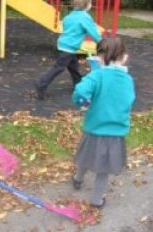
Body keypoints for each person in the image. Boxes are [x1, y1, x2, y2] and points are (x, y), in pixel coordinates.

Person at [71, 36, 135, 208]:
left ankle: (77, 179)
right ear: (124, 58)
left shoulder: (96, 76)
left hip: (94, 128)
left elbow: (80, 91)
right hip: (115, 131)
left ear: (99, 58)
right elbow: (129, 101)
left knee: (86, 156)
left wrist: (82, 102)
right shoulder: (127, 80)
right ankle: (97, 200)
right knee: (103, 169)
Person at [35, 0, 102, 100]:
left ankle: (78, 84)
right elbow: (93, 32)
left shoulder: (70, 16)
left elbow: (66, 25)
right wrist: (102, 42)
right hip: (69, 47)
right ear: (87, 5)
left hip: (64, 44)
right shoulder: (85, 17)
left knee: (73, 66)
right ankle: (41, 83)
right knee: (59, 67)